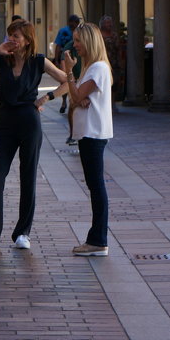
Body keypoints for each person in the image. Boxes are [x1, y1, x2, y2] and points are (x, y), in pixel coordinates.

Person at [0, 19, 68, 250]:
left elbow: (68, 81)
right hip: (4, 122)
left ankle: (23, 232)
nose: (11, 40)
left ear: (28, 40)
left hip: (29, 121)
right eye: (9, 35)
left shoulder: (39, 60)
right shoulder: (2, 59)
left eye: (16, 36)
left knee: (28, 176)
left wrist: (47, 98)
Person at [61, 22, 112, 257]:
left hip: (93, 133)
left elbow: (77, 94)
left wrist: (69, 71)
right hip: (87, 132)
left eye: (79, 40)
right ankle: (96, 238)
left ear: (90, 41)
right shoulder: (91, 68)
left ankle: (98, 239)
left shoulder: (98, 68)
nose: (75, 45)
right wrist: (77, 95)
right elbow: (75, 98)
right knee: (94, 185)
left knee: (96, 185)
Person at [53, 14, 81, 114]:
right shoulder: (63, 31)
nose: (74, 24)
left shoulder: (80, 31)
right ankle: (64, 102)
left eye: (76, 22)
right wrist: (56, 60)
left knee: (75, 79)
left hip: (77, 57)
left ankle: (73, 100)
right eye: (72, 22)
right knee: (65, 80)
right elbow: (58, 45)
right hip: (64, 58)